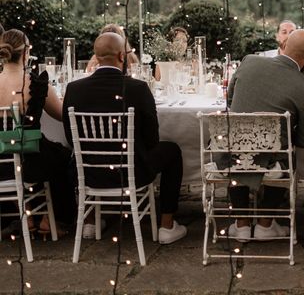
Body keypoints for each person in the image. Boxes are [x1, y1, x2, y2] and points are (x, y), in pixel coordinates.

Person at [62, 32, 187, 244]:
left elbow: (70, 137)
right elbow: (152, 139)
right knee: (172, 151)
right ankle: (167, 225)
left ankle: (90, 221)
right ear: (122, 56)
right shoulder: (137, 88)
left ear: (96, 56)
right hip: (132, 172)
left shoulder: (74, 89)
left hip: (88, 173)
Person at [226, 29, 304, 242]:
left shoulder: (249, 61)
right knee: (285, 153)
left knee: (238, 147)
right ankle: (265, 224)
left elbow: (230, 102)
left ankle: (241, 225)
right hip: (272, 164)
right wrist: (279, 134)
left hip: (229, 157)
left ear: (284, 46)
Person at [0, 29, 76, 235]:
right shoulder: (36, 83)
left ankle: (26, 215)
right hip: (31, 159)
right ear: (26, 53)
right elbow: (62, 115)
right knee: (64, 156)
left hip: (1, 164)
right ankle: (49, 220)